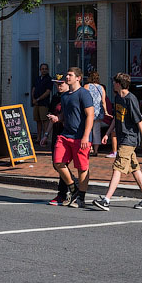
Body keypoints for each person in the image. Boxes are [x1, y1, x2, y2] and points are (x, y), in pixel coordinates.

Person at [91, 72, 142, 210]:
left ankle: (106, 200)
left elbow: (139, 121)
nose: (113, 84)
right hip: (122, 137)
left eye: (114, 82)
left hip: (129, 138)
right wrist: (107, 134)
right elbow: (116, 117)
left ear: (119, 84)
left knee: (117, 168)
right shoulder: (118, 98)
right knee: (135, 168)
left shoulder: (131, 99)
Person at [48, 66, 94, 207]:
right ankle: (73, 188)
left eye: (70, 75)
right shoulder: (65, 96)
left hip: (80, 137)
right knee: (58, 162)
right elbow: (66, 114)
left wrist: (86, 136)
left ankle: (81, 198)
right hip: (65, 135)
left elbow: (90, 115)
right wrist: (58, 118)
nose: (67, 77)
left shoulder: (84, 94)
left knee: (82, 168)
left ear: (78, 78)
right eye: (67, 75)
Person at [43, 75, 72, 205]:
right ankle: (73, 185)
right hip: (56, 133)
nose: (59, 86)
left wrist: (59, 119)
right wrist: (45, 134)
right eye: (57, 84)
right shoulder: (55, 98)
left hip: (67, 134)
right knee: (57, 164)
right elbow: (52, 118)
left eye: (61, 83)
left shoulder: (71, 97)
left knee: (60, 164)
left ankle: (64, 193)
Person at [84, 71, 107, 156]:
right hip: (98, 112)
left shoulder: (86, 86)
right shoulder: (101, 88)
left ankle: (89, 148)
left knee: (88, 129)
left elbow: (84, 98)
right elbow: (103, 101)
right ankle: (96, 150)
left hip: (89, 110)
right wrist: (106, 111)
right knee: (96, 131)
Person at [32, 64, 52, 143]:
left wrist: (38, 99)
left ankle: (45, 138)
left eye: (45, 69)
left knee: (44, 121)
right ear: (40, 70)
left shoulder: (49, 79)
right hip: (36, 103)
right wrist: (33, 99)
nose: (44, 70)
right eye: (42, 69)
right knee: (38, 121)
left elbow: (47, 92)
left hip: (44, 103)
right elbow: (33, 88)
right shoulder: (37, 79)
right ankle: (38, 137)